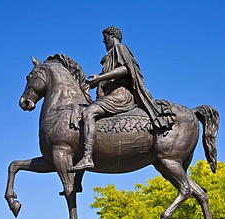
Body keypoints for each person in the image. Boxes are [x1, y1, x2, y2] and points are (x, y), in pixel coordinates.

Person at [68, 26, 174, 172]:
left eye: (105, 38)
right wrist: (93, 82)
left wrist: (101, 77)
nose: (103, 41)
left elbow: (125, 69)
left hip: (120, 95)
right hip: (112, 94)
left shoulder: (120, 49)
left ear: (112, 36)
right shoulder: (109, 57)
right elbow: (106, 79)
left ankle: (87, 157)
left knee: (88, 113)